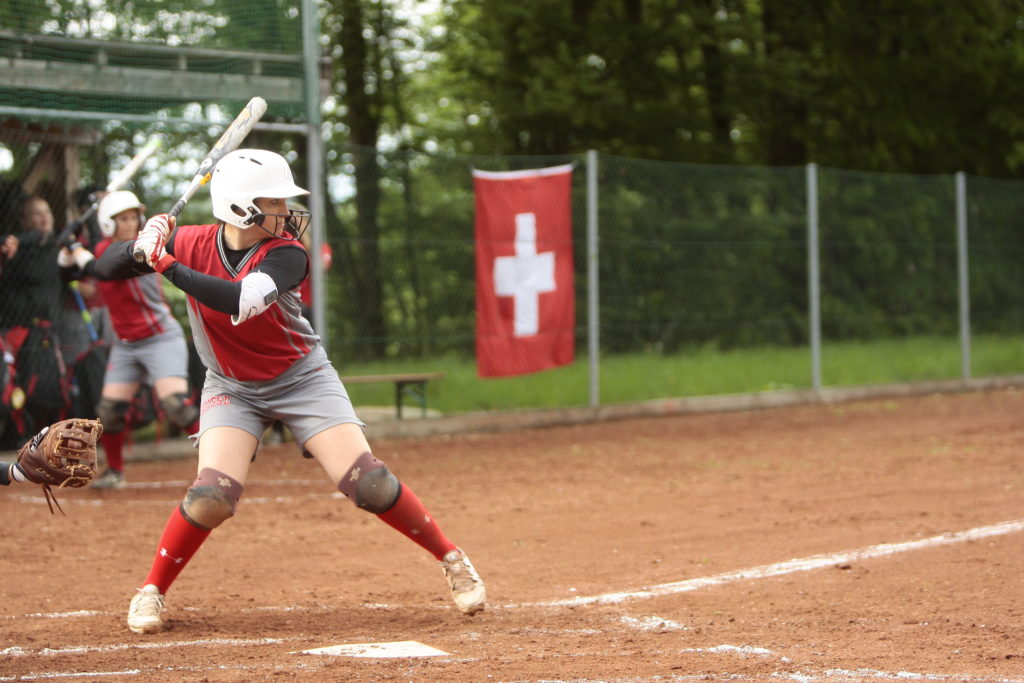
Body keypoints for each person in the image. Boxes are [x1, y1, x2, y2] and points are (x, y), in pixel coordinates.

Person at [94, 148, 485, 634]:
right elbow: (102, 268)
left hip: (302, 378)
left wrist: (165, 263)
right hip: (232, 386)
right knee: (210, 497)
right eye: (275, 202)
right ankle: (151, 590)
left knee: (369, 484)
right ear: (241, 207)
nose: (286, 212)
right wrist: (137, 247)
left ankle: (451, 557)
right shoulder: (191, 240)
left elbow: (239, 298)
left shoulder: (287, 254)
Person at [60, 190, 198, 490]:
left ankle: (217, 461)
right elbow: (67, 269)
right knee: (108, 411)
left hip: (160, 337)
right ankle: (115, 472)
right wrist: (66, 244)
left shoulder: (142, 248)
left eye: (133, 216)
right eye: (122, 218)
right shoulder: (99, 249)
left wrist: (72, 244)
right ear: (107, 225)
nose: (131, 222)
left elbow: (96, 268)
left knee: (175, 406)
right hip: (127, 344)